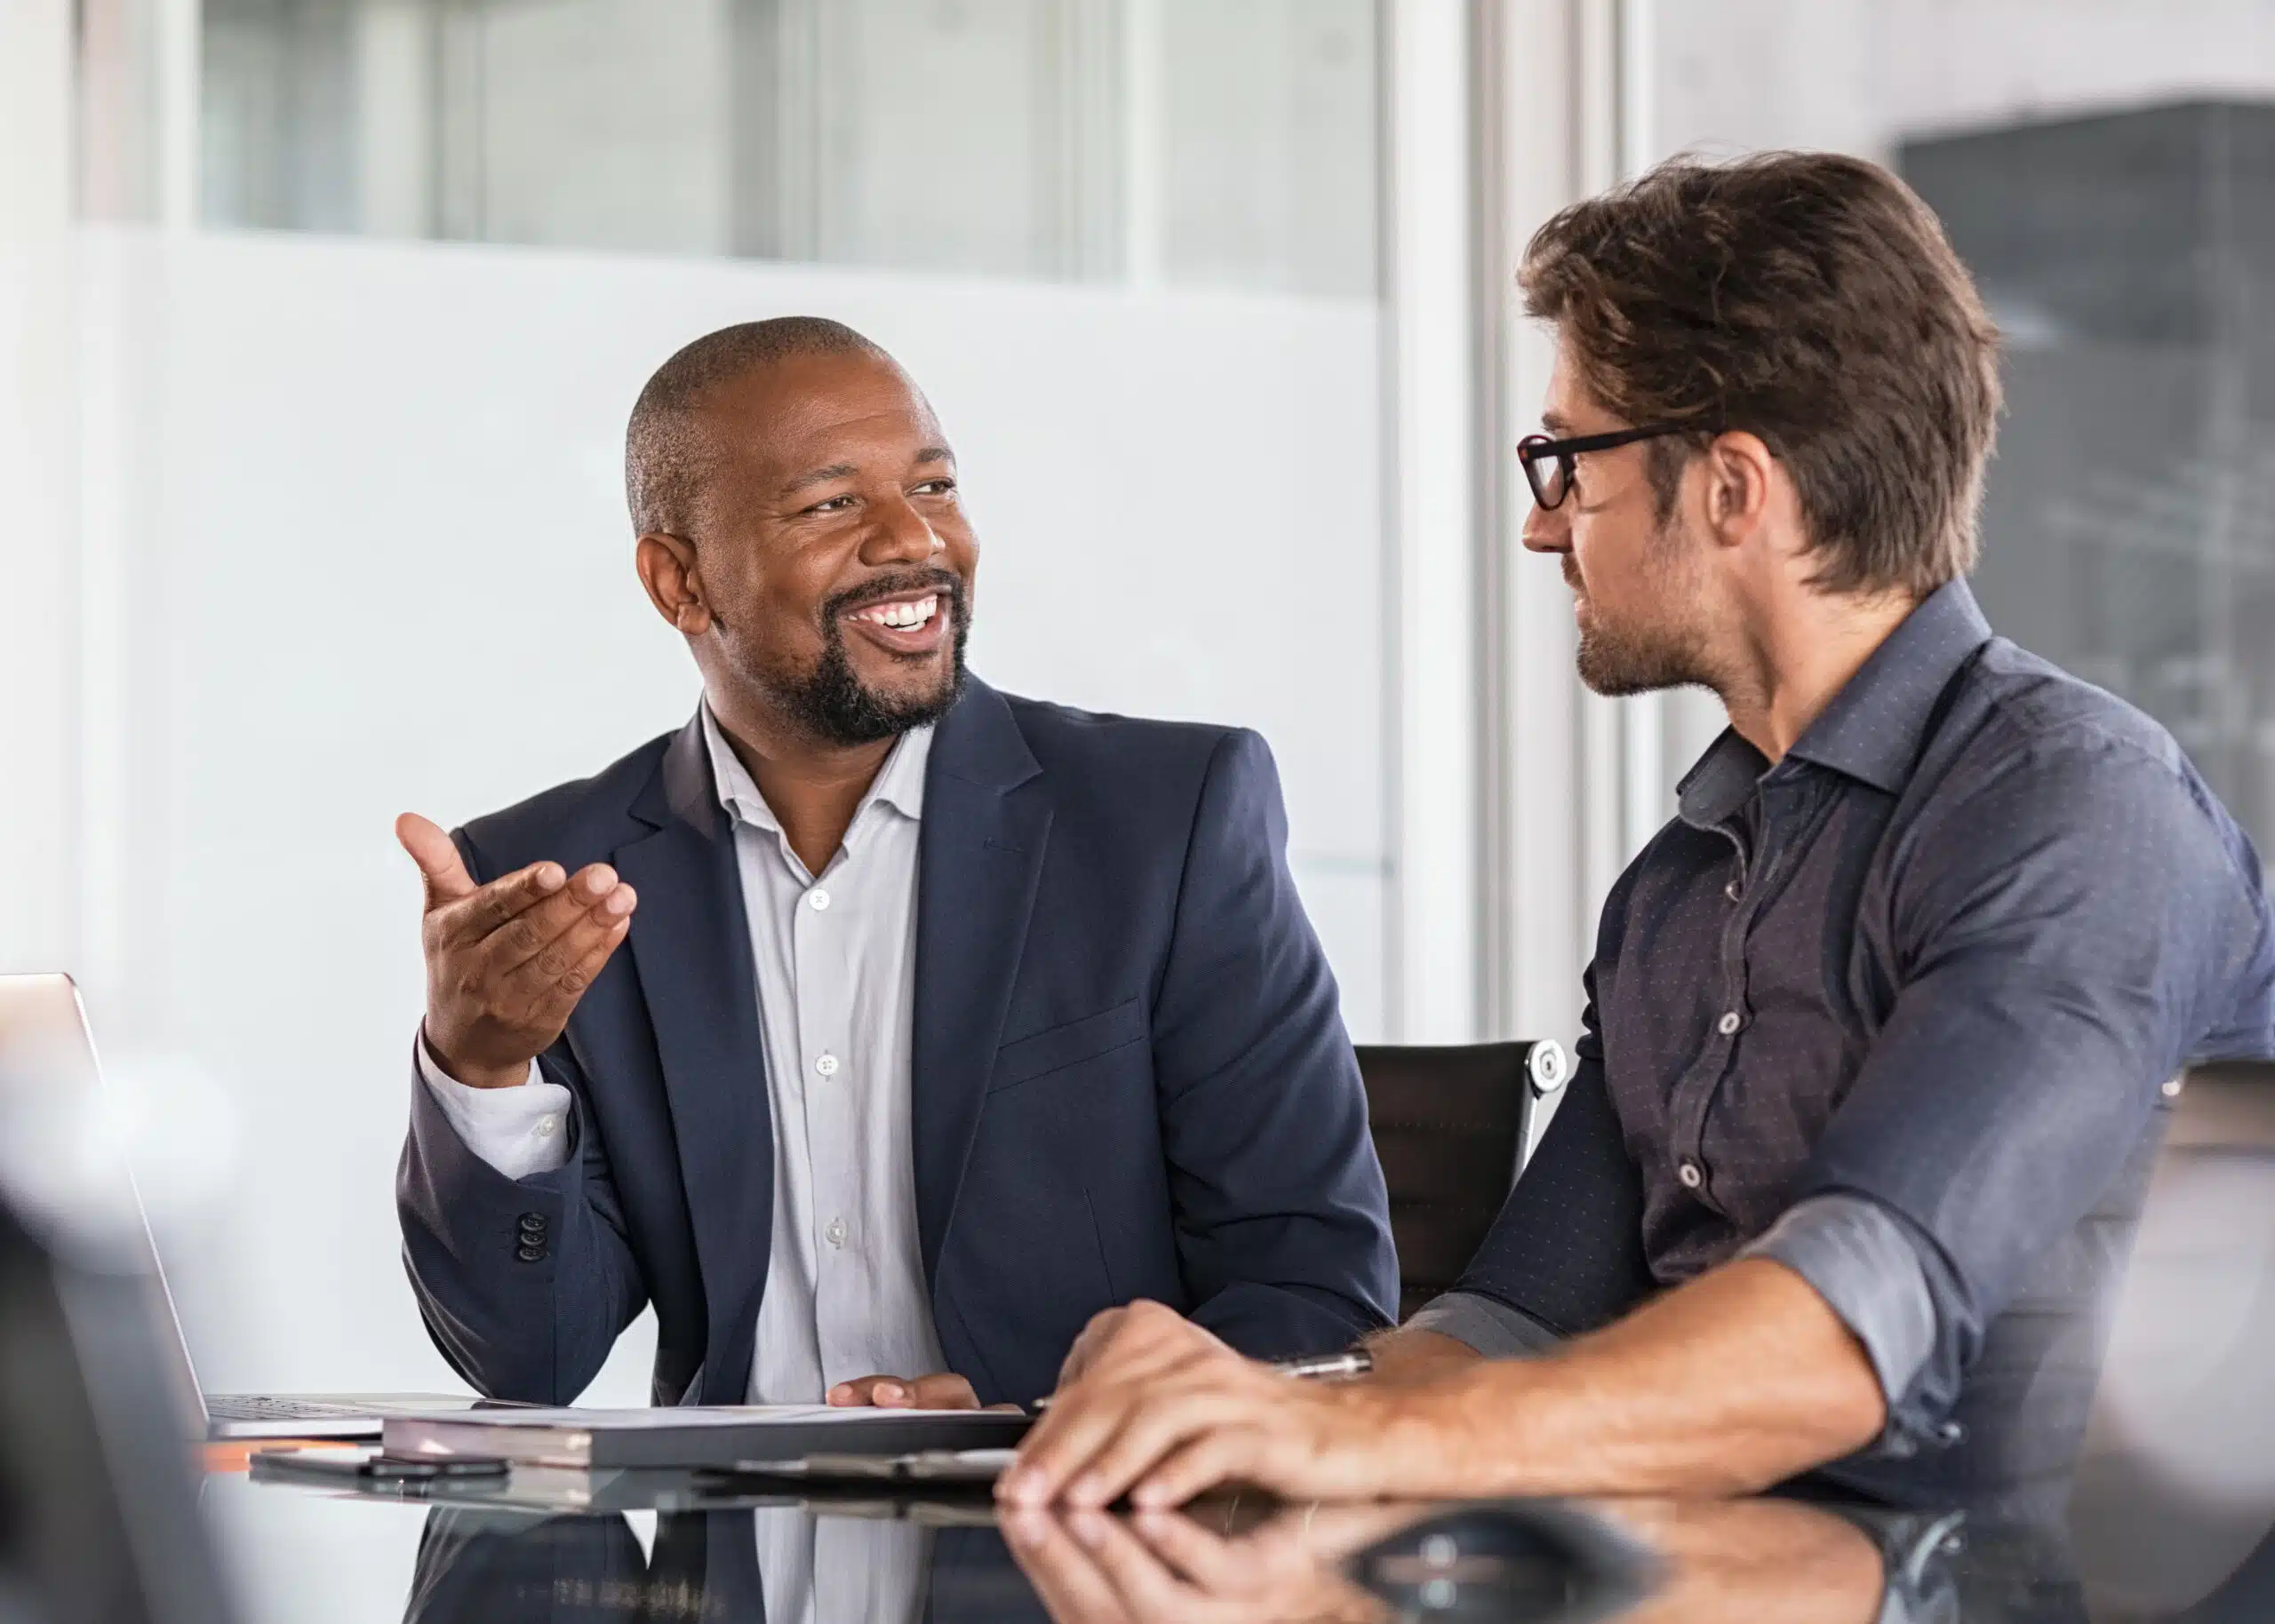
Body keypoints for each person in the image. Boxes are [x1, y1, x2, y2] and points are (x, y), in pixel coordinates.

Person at [1000, 151, 2275, 1511]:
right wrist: (1233, 1406)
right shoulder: (1678, 888)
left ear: (1733, 487)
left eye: (1568, 460)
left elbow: (1850, 1331)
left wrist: (1352, 1446)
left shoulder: (2074, 811)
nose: (1545, 528)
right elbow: (1505, 1327)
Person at [393, 318, 1396, 1411]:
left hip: (1067, 1543)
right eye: (831, 504)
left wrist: (1047, 1425)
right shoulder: (556, 882)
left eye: (933, 486)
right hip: (732, 1562)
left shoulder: (1165, 822)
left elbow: (1313, 1293)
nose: (911, 539)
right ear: (679, 583)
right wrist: (480, 1069)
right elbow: (529, 1361)